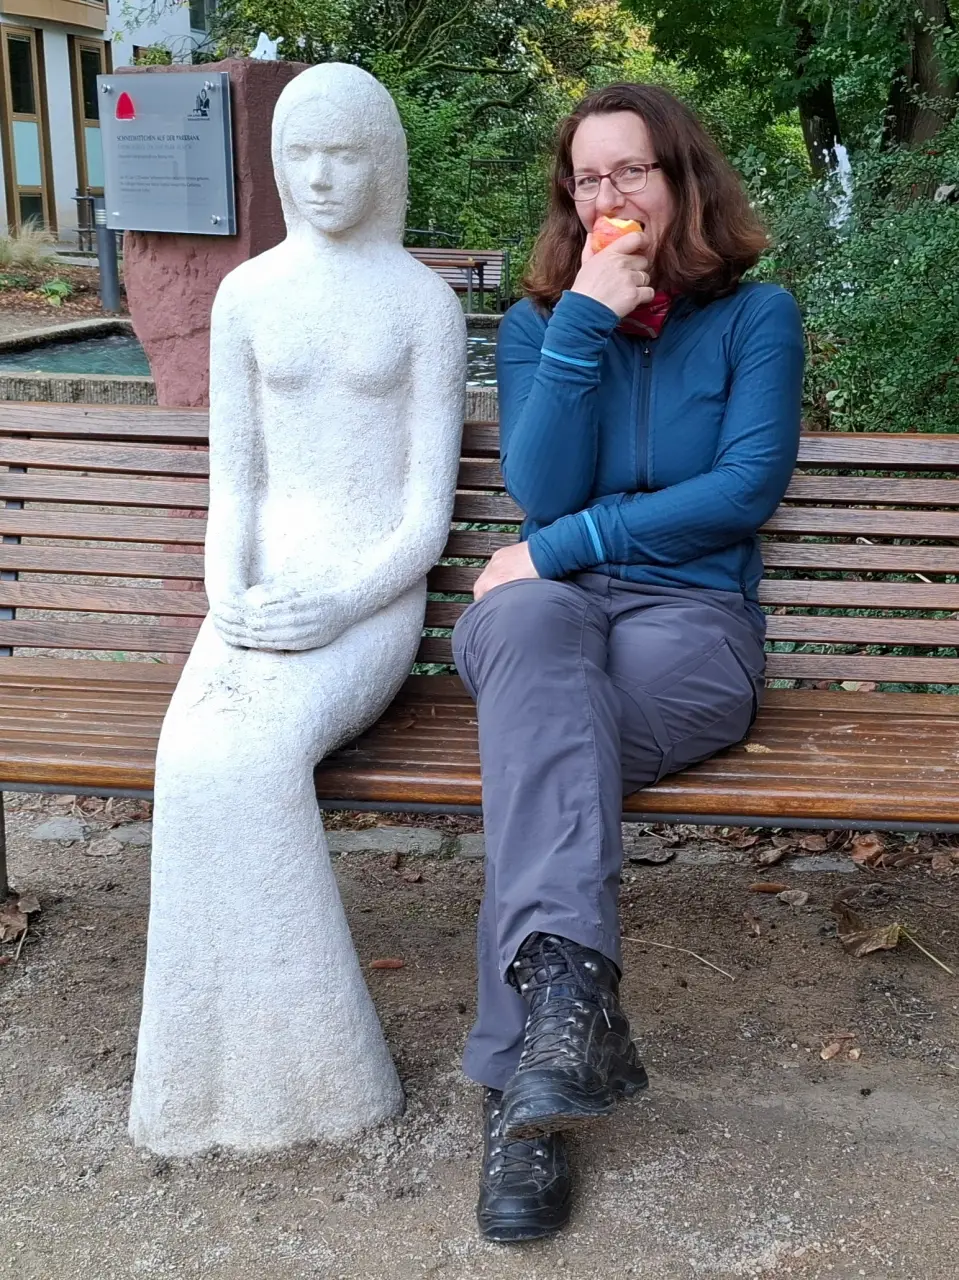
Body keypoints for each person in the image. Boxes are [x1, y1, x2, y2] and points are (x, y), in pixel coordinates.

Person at [451, 82, 804, 1242]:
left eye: (629, 171)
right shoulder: (536, 324)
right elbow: (539, 483)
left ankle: (517, 1089)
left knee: (540, 760)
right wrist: (583, 325)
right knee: (525, 637)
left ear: (680, 178)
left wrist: (565, 544)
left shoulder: (755, 319)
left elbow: (740, 488)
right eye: (585, 178)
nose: (606, 195)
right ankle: (559, 1032)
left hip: (689, 626)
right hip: (544, 620)